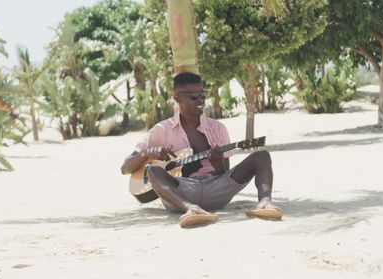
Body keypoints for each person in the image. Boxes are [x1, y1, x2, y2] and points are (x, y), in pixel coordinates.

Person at [121, 72, 282, 228]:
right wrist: (148, 153)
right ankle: (191, 209)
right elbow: (126, 168)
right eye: (193, 97)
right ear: (177, 97)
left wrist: (217, 164)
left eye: (203, 96)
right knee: (153, 171)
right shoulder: (162, 130)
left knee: (262, 156)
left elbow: (224, 174)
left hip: (216, 189)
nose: (201, 101)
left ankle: (264, 203)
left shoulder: (217, 128)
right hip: (181, 193)